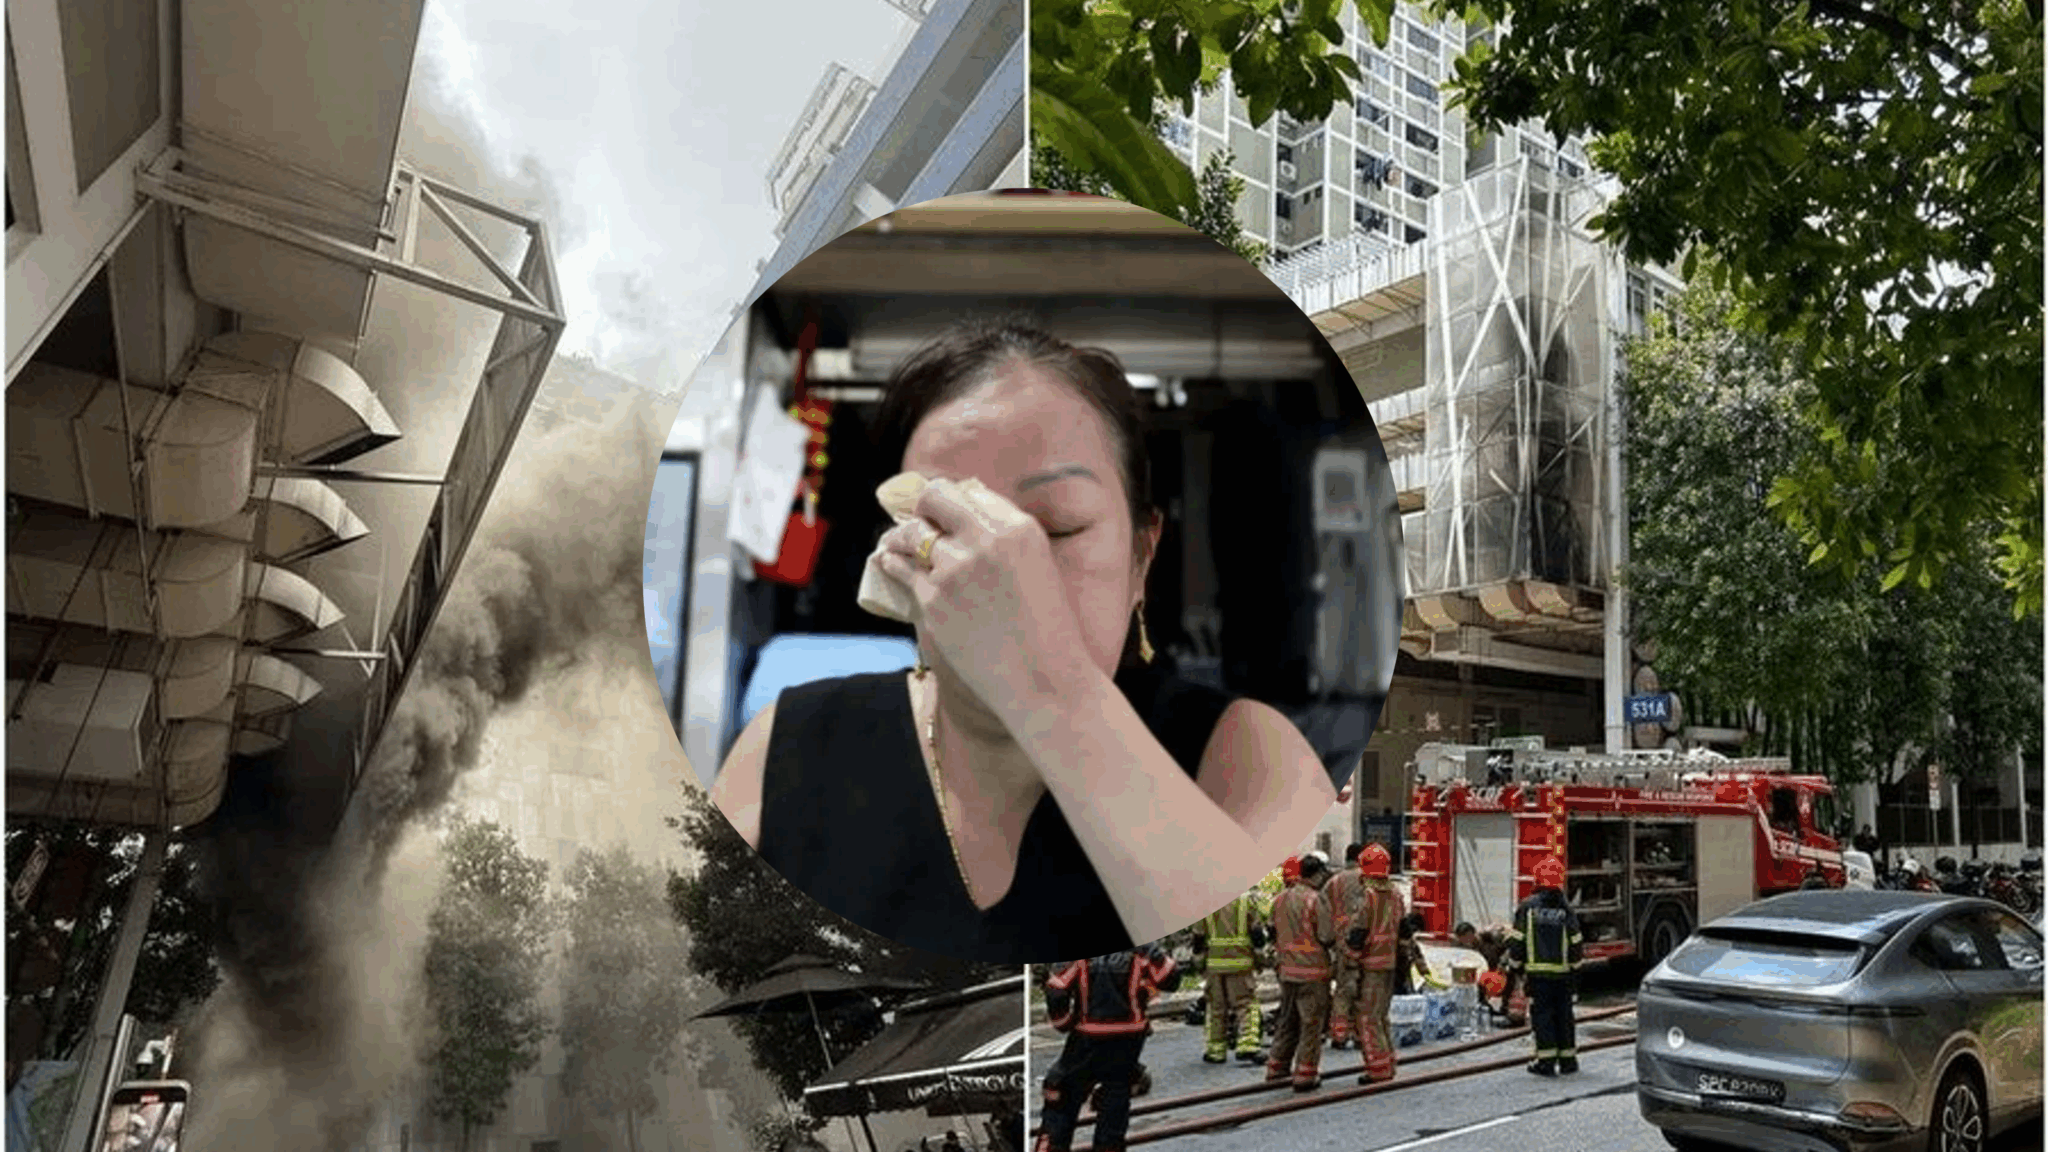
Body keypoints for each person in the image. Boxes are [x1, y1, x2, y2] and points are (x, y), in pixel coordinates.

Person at [713, 320, 1335, 961]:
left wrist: (1048, 683)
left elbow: (1253, 950)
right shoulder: (785, 746)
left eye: (1055, 529)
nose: (997, 570)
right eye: (944, 526)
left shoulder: (1248, 759)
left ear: (1141, 560)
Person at [1036, 945, 1182, 1152]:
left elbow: (1056, 989)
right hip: (1128, 1039)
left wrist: (1064, 1023)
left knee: (1059, 1093)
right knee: (1116, 1100)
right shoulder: (1141, 949)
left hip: (1087, 1037)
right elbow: (1171, 978)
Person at [1505, 855, 1583, 1076]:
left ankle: (1546, 1062)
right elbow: (1576, 942)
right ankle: (1568, 1062)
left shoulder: (1527, 908)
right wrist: (1576, 973)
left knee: (1543, 1018)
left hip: (1538, 977)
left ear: (1537, 879)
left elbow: (1518, 940)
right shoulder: (1566, 909)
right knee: (1564, 1017)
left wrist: (1515, 968)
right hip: (1564, 976)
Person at [1265, 854, 1336, 1091]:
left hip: (1287, 971)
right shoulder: (1315, 900)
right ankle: (1305, 1074)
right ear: (1315, 875)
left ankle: (1277, 1067)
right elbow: (1326, 935)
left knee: (1287, 1021)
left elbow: (1273, 932)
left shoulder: (1279, 900)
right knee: (1311, 1025)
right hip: (1313, 972)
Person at [1345, 842, 1401, 1084]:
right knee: (1381, 1016)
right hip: (1390, 962)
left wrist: (1350, 960)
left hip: (1370, 964)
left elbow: (1358, 932)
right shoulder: (1396, 894)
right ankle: (1388, 1061)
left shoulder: (1367, 896)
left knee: (1367, 1017)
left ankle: (1377, 1068)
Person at [1191, 888, 1268, 1065]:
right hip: (1240, 961)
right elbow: (1256, 932)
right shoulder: (1246, 900)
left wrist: (1198, 961)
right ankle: (1248, 1046)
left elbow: (1198, 936)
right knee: (1245, 1004)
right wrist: (1260, 957)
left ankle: (1215, 1051)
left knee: (1216, 1007)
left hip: (1214, 963)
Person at [1323, 843, 1367, 1050]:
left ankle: (1339, 1034)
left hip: (1342, 943)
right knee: (1363, 991)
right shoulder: (1370, 879)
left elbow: (1320, 910)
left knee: (1343, 991)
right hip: (1368, 943)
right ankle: (1360, 1034)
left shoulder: (1334, 882)